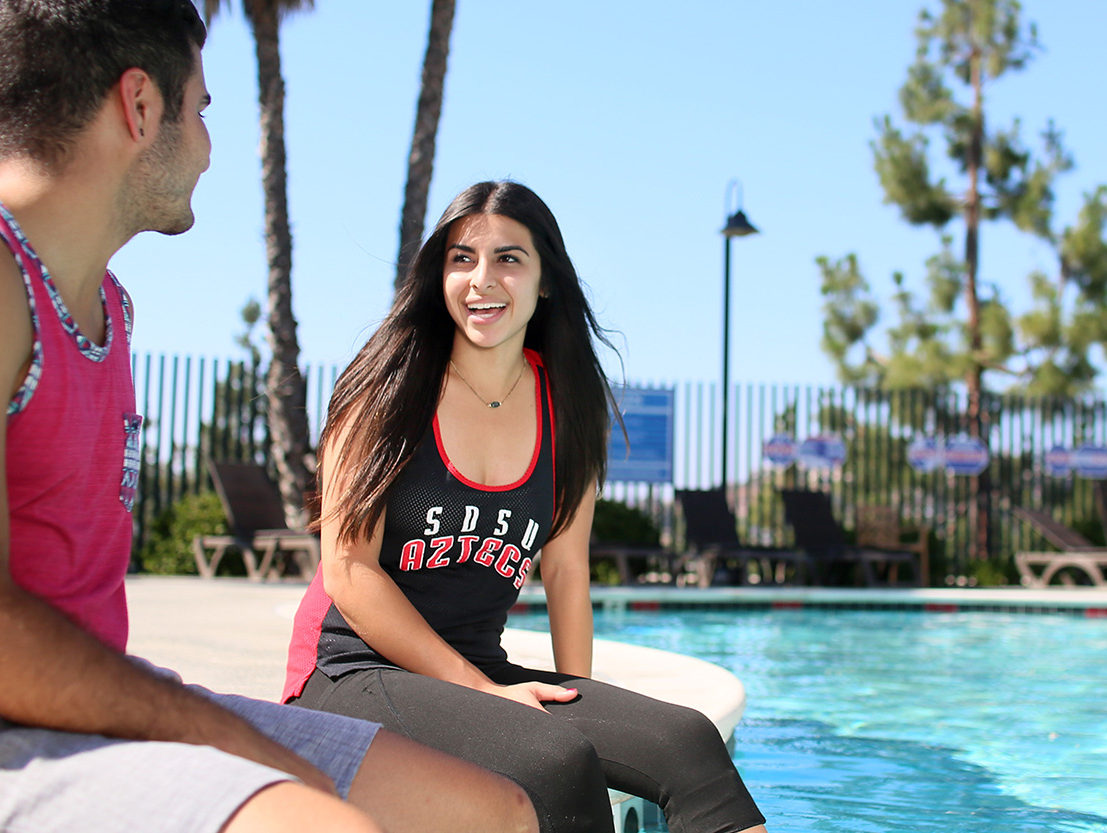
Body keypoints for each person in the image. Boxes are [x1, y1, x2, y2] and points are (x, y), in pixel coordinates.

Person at [0, 4, 533, 832]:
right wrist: (227, 740)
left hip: (62, 715)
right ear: (140, 106)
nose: (206, 145)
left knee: (489, 810)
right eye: (197, 112)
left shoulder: (109, 308)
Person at [284, 181, 769, 833]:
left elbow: (566, 572)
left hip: (480, 668)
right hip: (352, 668)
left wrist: (583, 704)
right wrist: (484, 693)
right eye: (462, 258)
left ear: (545, 282)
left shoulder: (566, 407)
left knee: (689, 742)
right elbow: (348, 570)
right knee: (554, 761)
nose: (482, 279)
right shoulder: (386, 387)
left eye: (509, 258)